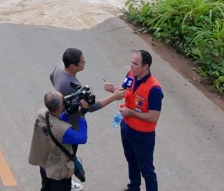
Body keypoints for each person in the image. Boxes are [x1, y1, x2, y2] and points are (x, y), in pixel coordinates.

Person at [119, 50, 164, 191]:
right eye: (131, 62)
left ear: (145, 66)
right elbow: (125, 91)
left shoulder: (154, 89)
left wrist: (131, 113)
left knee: (146, 169)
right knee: (131, 160)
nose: (131, 66)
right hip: (127, 128)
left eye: (135, 63)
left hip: (143, 136)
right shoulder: (130, 75)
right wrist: (113, 89)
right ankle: (133, 187)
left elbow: (153, 116)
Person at [28, 91, 88, 191]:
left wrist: (67, 114)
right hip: (58, 172)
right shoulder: (63, 130)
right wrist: (82, 115)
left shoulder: (41, 113)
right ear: (60, 107)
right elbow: (82, 138)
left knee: (46, 188)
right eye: (64, 100)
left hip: (44, 165)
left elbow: (53, 122)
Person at [51, 48, 124, 122]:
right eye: (82, 62)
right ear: (72, 66)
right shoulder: (71, 85)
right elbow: (91, 107)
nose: (84, 63)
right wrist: (114, 97)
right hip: (71, 120)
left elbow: (51, 76)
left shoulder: (60, 66)